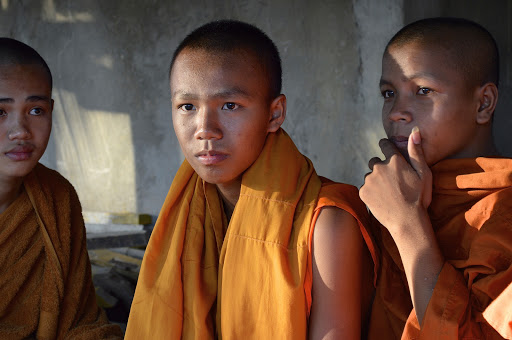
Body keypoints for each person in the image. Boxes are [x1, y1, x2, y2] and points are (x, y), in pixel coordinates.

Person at [125, 20, 377, 339]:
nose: (205, 129)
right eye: (187, 106)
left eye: (230, 106)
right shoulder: (187, 213)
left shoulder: (327, 224)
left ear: (274, 114)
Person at [360, 17, 512, 339]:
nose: (396, 112)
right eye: (389, 93)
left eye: (423, 90)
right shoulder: (392, 188)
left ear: (483, 103)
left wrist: (407, 224)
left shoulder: (503, 209)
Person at [0, 37, 123, 339]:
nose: (21, 131)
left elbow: (80, 321)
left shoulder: (57, 197)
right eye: (0, 112)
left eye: (36, 110)